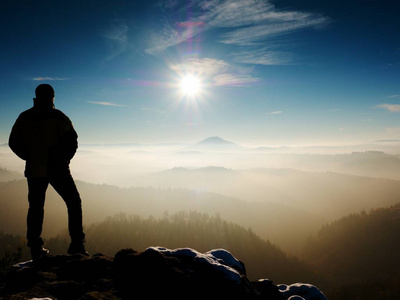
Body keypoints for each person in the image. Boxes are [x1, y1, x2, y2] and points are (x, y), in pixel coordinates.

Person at [9, 84, 88, 260]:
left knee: (36, 207)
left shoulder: (24, 117)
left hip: (34, 168)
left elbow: (13, 142)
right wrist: (62, 160)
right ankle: (77, 245)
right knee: (73, 202)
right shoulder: (58, 117)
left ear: (36, 96)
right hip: (57, 169)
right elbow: (72, 142)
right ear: (52, 97)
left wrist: (29, 156)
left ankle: (36, 248)